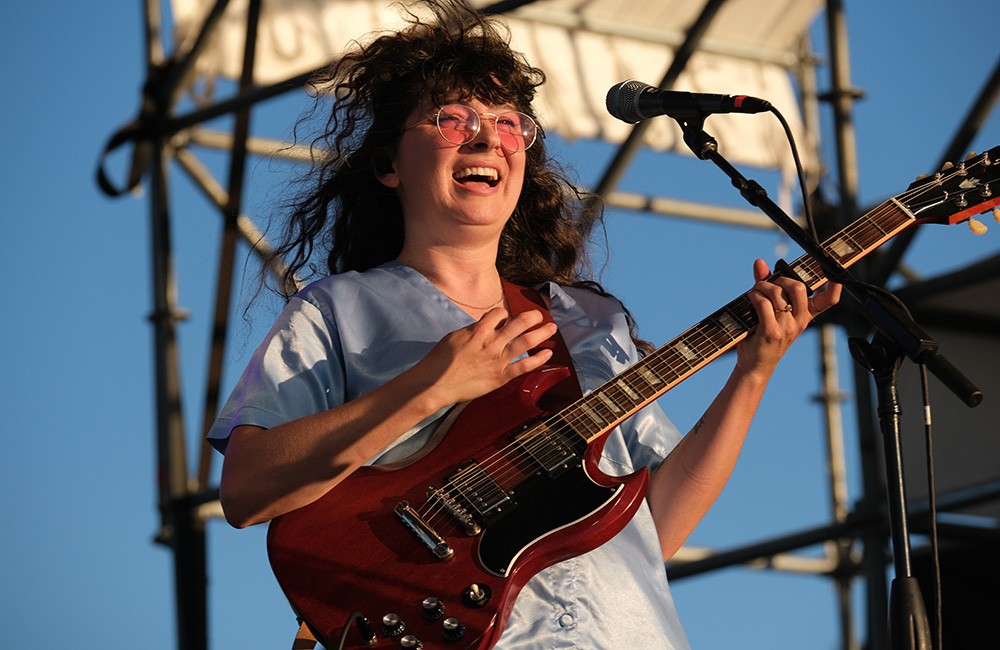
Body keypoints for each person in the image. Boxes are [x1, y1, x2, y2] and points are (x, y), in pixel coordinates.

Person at [207, 1, 841, 648]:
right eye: (454, 119)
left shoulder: (593, 322)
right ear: (388, 164)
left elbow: (653, 528)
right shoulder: (334, 312)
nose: (488, 139)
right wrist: (432, 386)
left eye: (511, 125)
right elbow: (248, 490)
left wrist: (755, 369)